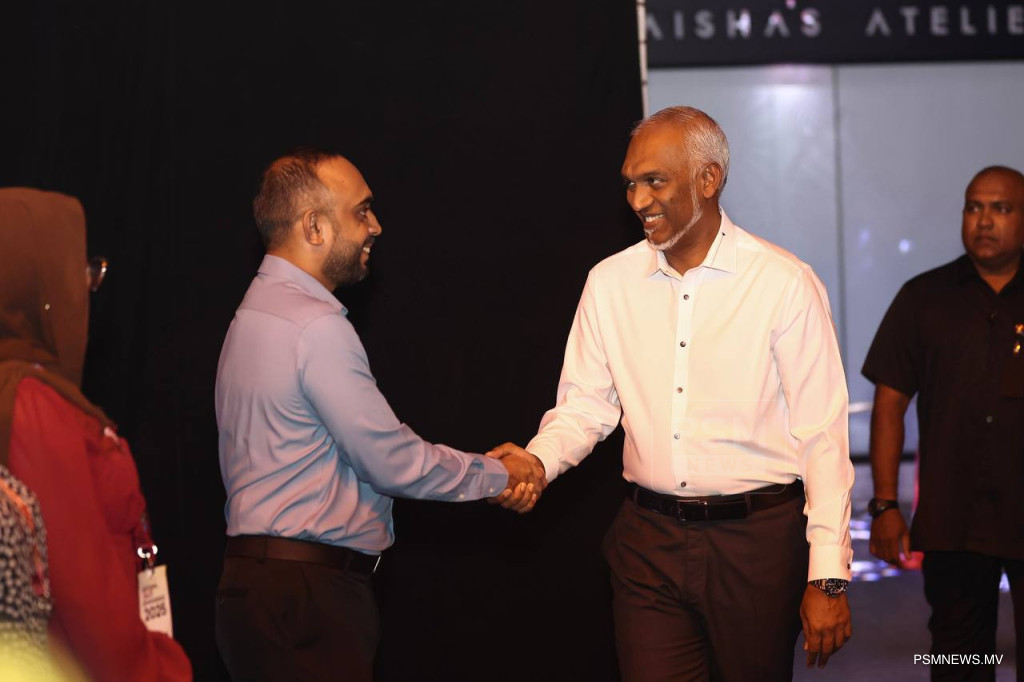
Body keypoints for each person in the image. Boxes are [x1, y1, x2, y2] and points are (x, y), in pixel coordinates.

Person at [490, 106, 854, 681]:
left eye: (654, 181)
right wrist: (538, 461)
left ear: (708, 180)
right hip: (647, 541)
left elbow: (822, 437)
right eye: (630, 184)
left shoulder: (783, 283)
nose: (637, 200)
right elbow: (585, 407)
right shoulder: (609, 282)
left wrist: (828, 576)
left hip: (755, 545)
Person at [214, 149, 545, 681]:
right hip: (307, 600)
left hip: (253, 590)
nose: (375, 226)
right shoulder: (315, 326)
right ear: (314, 227)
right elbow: (390, 461)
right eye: (361, 211)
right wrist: (499, 475)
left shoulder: (250, 315)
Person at [0, 188, 192, 681]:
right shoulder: (31, 404)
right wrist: (159, 671)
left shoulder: (26, 390)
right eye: (78, 272)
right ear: (35, 283)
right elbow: (83, 596)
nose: (87, 288)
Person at [863, 165, 1024, 681]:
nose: (984, 220)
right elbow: (889, 404)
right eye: (974, 207)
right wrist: (885, 505)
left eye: (1001, 208)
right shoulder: (924, 298)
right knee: (959, 662)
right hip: (955, 522)